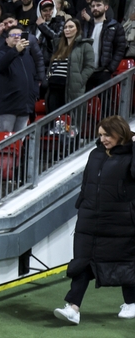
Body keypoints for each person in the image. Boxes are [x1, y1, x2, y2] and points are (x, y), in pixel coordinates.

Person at [54, 115, 135, 324]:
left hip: (121, 222)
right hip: (89, 219)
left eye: (107, 134)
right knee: (82, 262)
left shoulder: (131, 155)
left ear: (121, 133)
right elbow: (86, 184)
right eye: (100, 135)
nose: (103, 139)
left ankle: (132, 302)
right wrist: (83, 206)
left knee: (125, 263)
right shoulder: (95, 154)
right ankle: (73, 308)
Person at [0, 25, 40, 133]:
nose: (17, 37)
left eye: (19, 35)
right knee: (6, 143)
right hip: (8, 107)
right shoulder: (0, 53)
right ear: (6, 39)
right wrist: (15, 50)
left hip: (24, 107)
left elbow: (34, 77)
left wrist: (33, 96)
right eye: (13, 35)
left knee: (18, 143)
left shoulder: (28, 57)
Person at [46, 18, 95, 113]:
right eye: (65, 27)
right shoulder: (58, 45)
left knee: (69, 120)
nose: (67, 29)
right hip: (53, 87)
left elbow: (90, 66)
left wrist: (80, 80)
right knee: (53, 119)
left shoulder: (85, 45)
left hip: (69, 87)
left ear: (77, 29)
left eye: (71, 27)